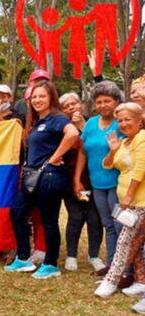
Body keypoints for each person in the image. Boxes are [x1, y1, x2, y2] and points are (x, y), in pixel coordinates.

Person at [5, 81, 79, 279]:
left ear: (51, 98)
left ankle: (51, 264)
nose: (37, 100)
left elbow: (73, 133)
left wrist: (55, 157)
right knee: (17, 212)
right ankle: (23, 258)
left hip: (50, 178)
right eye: (34, 97)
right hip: (32, 177)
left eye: (42, 96)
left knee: (49, 221)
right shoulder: (38, 121)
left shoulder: (57, 118)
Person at [95, 103, 145, 298]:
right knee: (137, 244)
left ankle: (111, 280)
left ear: (139, 120)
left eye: (127, 119)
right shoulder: (124, 142)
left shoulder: (142, 138)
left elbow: (141, 168)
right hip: (127, 202)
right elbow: (107, 165)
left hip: (139, 202)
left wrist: (130, 194)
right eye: (120, 120)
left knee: (124, 242)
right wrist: (113, 150)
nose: (123, 123)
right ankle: (141, 281)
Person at [74, 81, 124, 275]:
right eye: (99, 101)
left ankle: (124, 269)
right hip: (97, 183)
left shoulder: (121, 123)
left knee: (120, 226)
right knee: (108, 226)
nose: (103, 105)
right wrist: (77, 178)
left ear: (117, 101)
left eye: (107, 101)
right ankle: (112, 266)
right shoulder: (91, 123)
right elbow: (82, 152)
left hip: (117, 182)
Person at [58, 92, 104, 273]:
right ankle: (71, 255)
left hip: (95, 180)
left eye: (74, 103)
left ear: (81, 104)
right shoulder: (62, 127)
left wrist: (81, 126)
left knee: (94, 219)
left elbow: (95, 145)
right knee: (75, 218)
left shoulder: (93, 123)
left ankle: (94, 255)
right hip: (70, 181)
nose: (72, 107)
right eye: (66, 106)